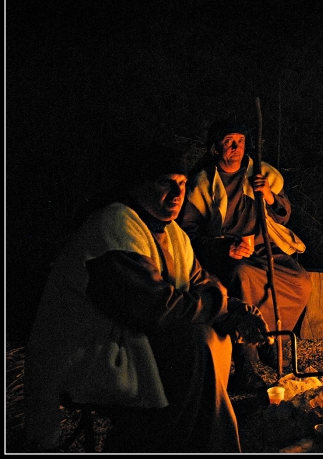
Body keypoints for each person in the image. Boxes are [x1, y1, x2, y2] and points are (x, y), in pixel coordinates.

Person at [23, 138, 272, 453]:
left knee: (211, 337)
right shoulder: (113, 226)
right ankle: (158, 442)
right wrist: (220, 305)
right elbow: (154, 307)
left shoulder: (173, 234)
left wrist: (236, 310)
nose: (179, 193)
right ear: (138, 186)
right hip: (91, 351)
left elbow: (201, 281)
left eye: (182, 184)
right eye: (167, 183)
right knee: (191, 344)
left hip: (135, 343)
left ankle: (192, 441)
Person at [178, 119, 311, 392]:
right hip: (227, 252)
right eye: (229, 141)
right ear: (216, 148)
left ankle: (272, 341)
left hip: (265, 247)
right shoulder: (202, 183)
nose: (237, 147)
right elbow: (188, 233)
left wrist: (270, 197)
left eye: (240, 140)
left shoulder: (263, 174)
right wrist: (224, 247)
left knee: (300, 281)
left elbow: (284, 216)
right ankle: (246, 364)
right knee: (242, 277)